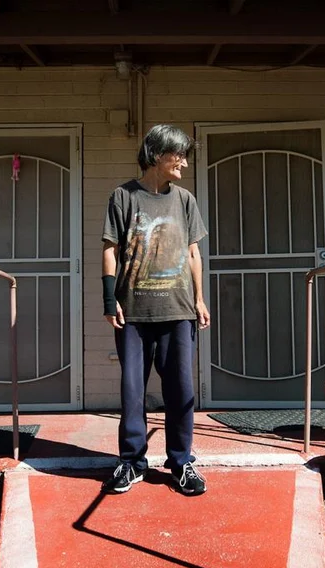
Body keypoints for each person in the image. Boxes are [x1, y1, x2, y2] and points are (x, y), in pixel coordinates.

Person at [101, 124, 211, 496]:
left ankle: (181, 463)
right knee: (132, 389)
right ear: (155, 154)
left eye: (184, 154)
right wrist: (107, 298)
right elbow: (110, 249)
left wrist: (199, 299)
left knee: (180, 389)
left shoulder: (185, 200)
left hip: (178, 310)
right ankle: (131, 463)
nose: (182, 161)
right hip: (132, 312)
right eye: (175, 154)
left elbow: (193, 254)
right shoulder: (123, 196)